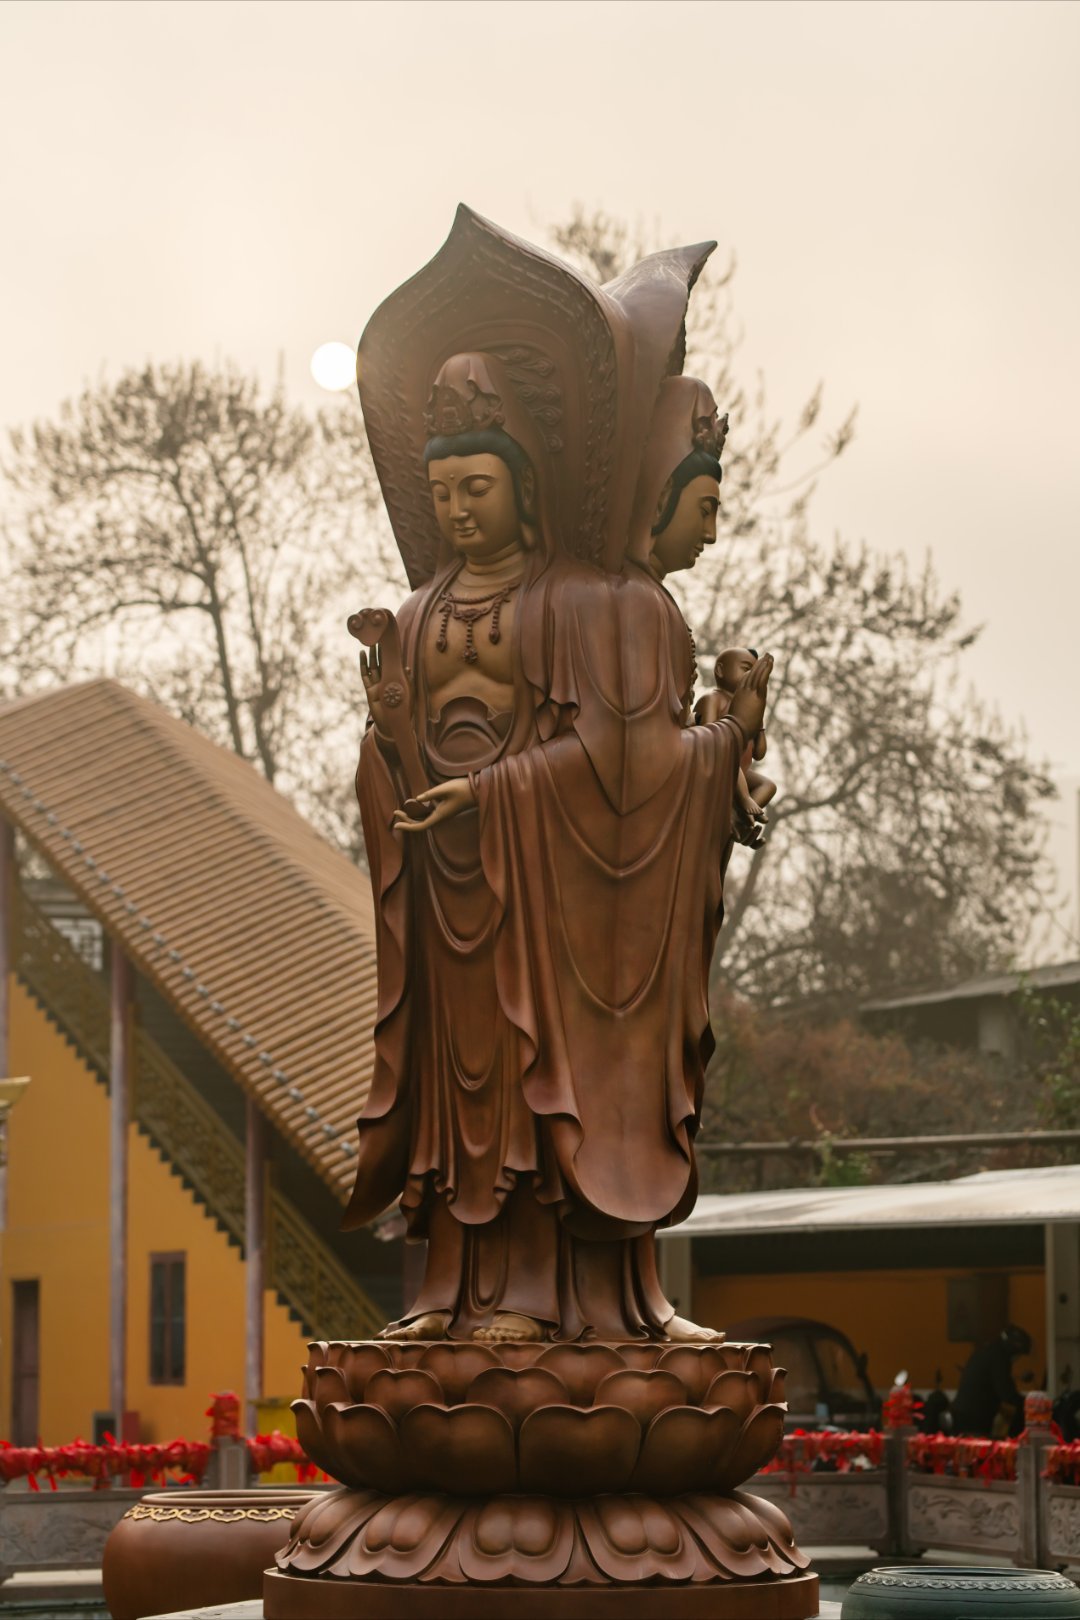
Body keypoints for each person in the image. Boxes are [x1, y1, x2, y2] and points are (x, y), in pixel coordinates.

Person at [695, 646, 777, 829]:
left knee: (768, 785)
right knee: (729, 756)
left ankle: (739, 821)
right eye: (746, 669)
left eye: (752, 672)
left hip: (739, 771)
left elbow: (759, 753)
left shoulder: (747, 706)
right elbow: (710, 737)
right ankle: (745, 800)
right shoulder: (713, 699)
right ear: (720, 670)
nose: (750, 676)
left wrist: (758, 720)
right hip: (720, 762)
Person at [951, 1324, 1032, 1438]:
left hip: (963, 1413)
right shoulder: (999, 1358)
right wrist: (1028, 1404)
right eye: (1018, 1354)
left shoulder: (986, 1351)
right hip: (976, 1417)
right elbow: (1006, 1393)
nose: (1017, 1359)